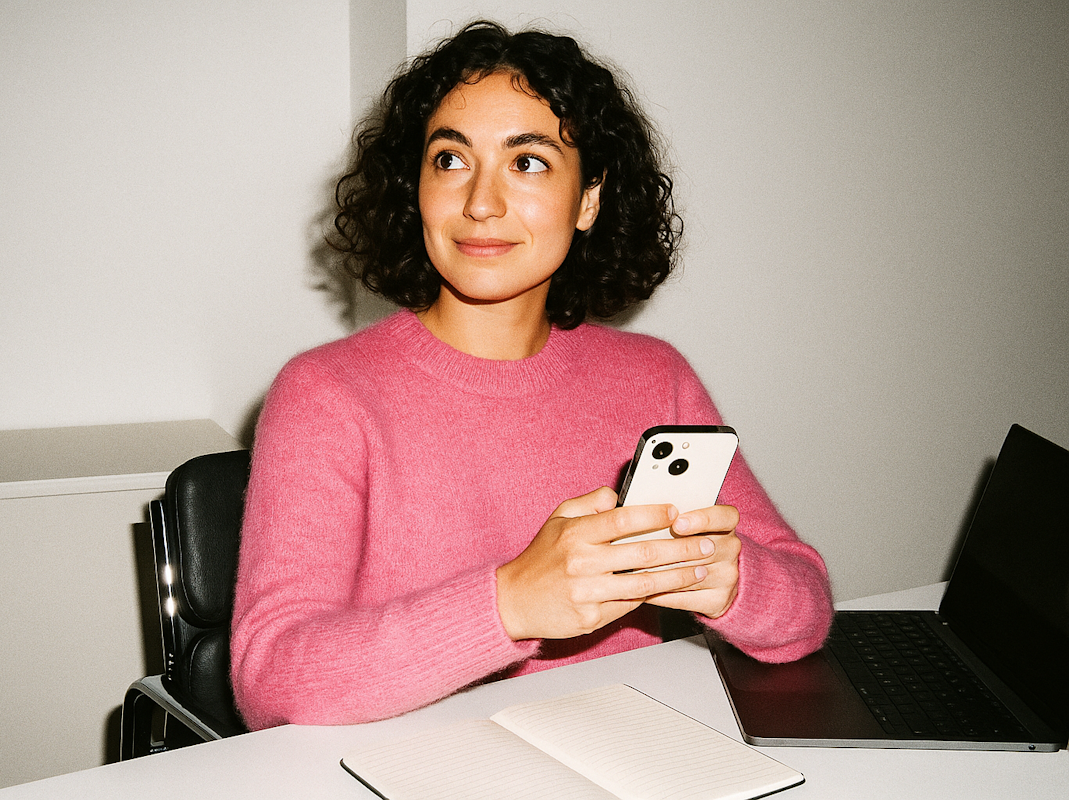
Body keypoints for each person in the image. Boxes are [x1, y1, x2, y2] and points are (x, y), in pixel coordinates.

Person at [230, 20, 833, 729]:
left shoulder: (654, 377)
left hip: (624, 752)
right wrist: (511, 603)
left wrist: (726, 580)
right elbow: (270, 678)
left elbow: (806, 609)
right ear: (414, 188)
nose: (480, 202)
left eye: (528, 162)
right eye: (450, 160)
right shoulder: (326, 394)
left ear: (589, 200)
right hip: (403, 764)